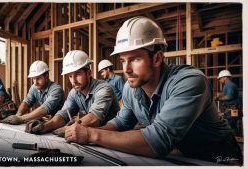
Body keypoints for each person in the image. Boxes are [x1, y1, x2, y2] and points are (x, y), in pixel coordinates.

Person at [64, 16, 242, 164]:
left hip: (221, 156)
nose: (126, 69)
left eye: (134, 59)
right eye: (123, 60)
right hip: (184, 153)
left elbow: (157, 141)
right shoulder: (130, 88)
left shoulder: (190, 81)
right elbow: (121, 123)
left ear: (157, 58)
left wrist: (91, 134)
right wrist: (85, 132)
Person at [25, 50, 119, 134]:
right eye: (70, 76)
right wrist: (45, 126)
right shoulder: (74, 93)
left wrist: (68, 128)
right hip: (92, 135)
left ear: (89, 73)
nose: (73, 81)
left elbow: (94, 118)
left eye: (77, 74)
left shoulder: (104, 89)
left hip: (113, 135)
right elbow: (63, 115)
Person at [1, 60, 65, 125]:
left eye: (38, 78)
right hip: (48, 119)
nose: (35, 82)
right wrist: (18, 114)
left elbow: (45, 109)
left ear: (46, 76)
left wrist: (21, 118)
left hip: (60, 121)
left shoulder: (56, 89)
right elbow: (27, 102)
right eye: (33, 78)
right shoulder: (34, 87)